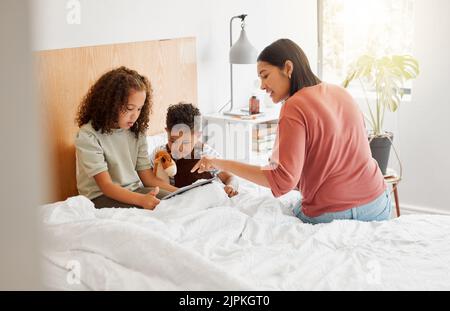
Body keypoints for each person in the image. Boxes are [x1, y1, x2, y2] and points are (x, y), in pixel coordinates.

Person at [191, 39, 391, 224]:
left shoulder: (294, 106)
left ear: (288, 68)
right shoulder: (341, 92)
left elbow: (282, 181)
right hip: (378, 204)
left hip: (332, 212)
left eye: (265, 75)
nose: (262, 86)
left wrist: (219, 162)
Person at [75, 66, 177, 210]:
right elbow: (106, 186)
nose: (135, 115)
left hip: (135, 191)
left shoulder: (137, 132)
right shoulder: (88, 136)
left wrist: (181, 192)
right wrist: (142, 200)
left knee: (176, 202)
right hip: (100, 198)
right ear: (111, 105)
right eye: (130, 108)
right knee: (160, 209)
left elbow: (148, 179)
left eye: (139, 109)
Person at [149, 102, 238, 197]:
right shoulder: (159, 153)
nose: (179, 148)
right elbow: (150, 180)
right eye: (173, 141)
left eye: (186, 143)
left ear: (197, 136)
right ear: (167, 132)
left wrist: (230, 187)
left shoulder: (205, 153)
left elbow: (230, 177)